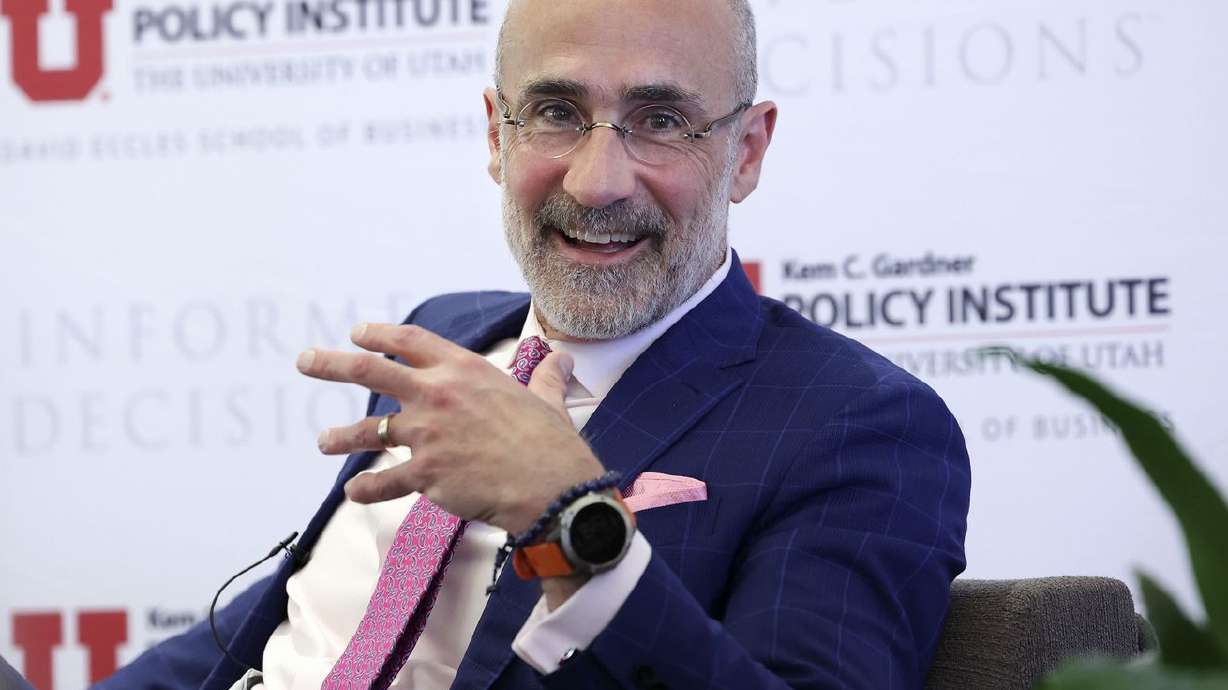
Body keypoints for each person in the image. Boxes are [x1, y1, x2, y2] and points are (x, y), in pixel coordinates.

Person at [93, 1, 971, 688]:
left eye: (660, 120)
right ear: (495, 134)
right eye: (555, 111)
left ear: (746, 151)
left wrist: (570, 521)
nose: (597, 182)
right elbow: (316, 615)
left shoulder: (861, 424)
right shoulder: (445, 332)